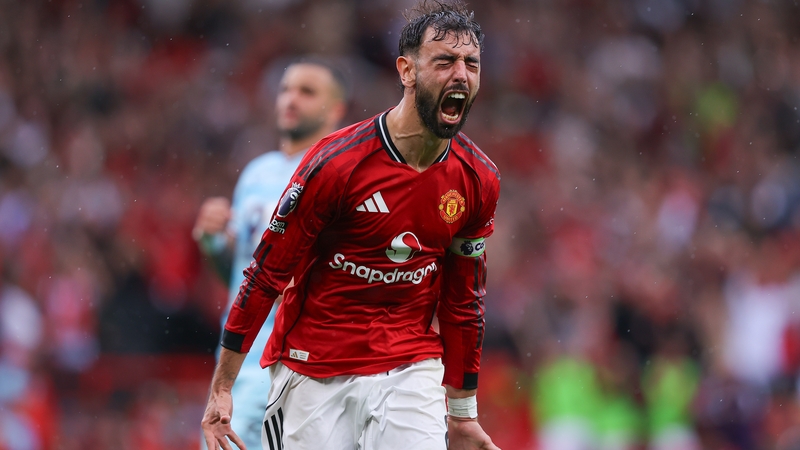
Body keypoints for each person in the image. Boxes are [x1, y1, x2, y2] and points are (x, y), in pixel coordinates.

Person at [201, 1, 501, 449]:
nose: (461, 75)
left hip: (409, 367)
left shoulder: (478, 178)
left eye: (471, 64)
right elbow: (266, 272)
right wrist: (223, 385)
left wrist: (462, 414)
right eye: (444, 62)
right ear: (407, 71)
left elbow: (463, 302)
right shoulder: (336, 163)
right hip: (314, 366)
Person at [193, 57, 348, 450]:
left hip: (302, 364)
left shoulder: (339, 175)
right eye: (285, 89)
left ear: (335, 109)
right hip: (239, 362)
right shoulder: (255, 173)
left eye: (306, 92)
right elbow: (240, 274)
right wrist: (213, 243)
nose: (291, 99)